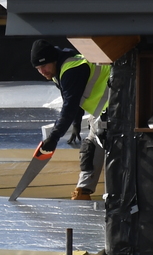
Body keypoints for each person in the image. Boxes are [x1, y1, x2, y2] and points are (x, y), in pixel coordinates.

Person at [30, 40, 111, 201]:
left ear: (53, 60)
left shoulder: (71, 69)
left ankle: (107, 194)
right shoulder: (58, 70)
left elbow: (70, 106)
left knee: (104, 145)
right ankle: (83, 191)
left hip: (117, 103)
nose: (42, 71)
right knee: (91, 147)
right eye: (38, 68)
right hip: (104, 109)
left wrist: (54, 137)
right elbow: (75, 99)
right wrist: (76, 124)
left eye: (44, 66)